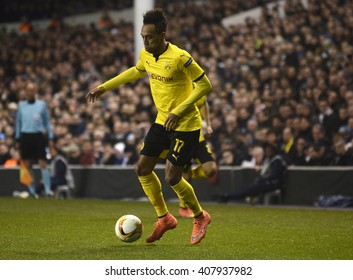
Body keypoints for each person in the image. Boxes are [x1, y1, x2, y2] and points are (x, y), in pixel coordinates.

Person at [86, 8, 212, 245]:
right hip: (162, 121)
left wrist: (178, 110)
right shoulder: (146, 55)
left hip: (185, 124)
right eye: (143, 36)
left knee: (173, 177)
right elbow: (135, 71)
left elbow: (205, 85)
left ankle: (200, 216)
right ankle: (164, 218)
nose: (145, 41)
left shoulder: (180, 57)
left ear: (163, 35)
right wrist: (104, 86)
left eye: (150, 37)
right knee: (142, 169)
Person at [179, 98, 218, 218]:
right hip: (182, 138)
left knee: (211, 170)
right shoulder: (177, 89)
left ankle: (189, 175)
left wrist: (208, 124)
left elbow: (204, 103)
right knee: (185, 173)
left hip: (198, 138)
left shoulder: (197, 88)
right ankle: (183, 208)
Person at [15, 81, 54, 197]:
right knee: (27, 165)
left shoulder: (41, 105)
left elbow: (47, 122)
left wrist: (50, 136)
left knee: (43, 162)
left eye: (32, 90)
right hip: (25, 135)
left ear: (35, 91)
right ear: (25, 92)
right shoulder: (21, 106)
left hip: (38, 136)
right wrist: (17, 139)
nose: (30, 92)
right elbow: (19, 123)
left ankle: (47, 191)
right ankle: (32, 192)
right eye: (28, 90)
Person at [219, 144, 287, 203]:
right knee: (248, 188)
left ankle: (228, 196)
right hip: (268, 182)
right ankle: (228, 196)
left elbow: (274, 175)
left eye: (269, 150)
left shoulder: (277, 160)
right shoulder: (271, 159)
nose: (267, 152)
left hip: (273, 184)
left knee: (250, 188)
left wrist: (262, 179)